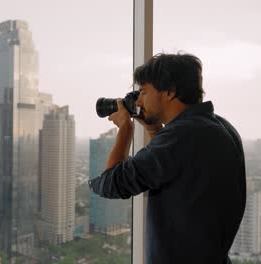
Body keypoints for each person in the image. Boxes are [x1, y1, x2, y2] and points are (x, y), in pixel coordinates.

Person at [89, 53, 246, 264]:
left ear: (170, 91)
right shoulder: (219, 126)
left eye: (144, 91)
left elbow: (111, 183)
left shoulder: (182, 136)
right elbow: (172, 170)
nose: (140, 100)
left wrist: (125, 128)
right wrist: (155, 130)